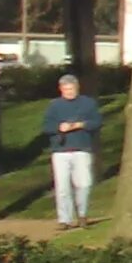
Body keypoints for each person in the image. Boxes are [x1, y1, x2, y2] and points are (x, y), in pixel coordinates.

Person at [43, 72, 103, 228]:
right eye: (66, 89)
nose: (69, 91)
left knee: (84, 184)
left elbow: (97, 122)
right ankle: (64, 219)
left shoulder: (88, 103)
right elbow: (46, 127)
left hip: (82, 149)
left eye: (72, 88)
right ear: (61, 89)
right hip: (60, 151)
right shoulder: (54, 106)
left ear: (77, 88)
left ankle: (82, 215)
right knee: (62, 187)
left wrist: (80, 125)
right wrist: (59, 127)